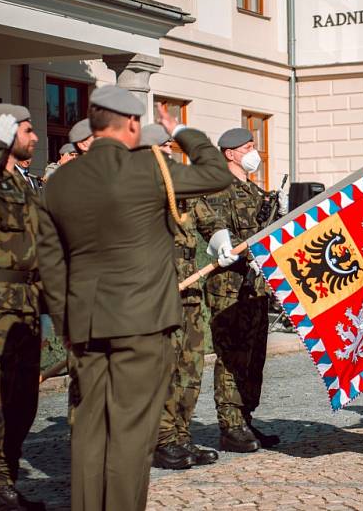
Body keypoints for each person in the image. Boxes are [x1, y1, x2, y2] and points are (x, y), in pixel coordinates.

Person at [37, 86, 231, 511]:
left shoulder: (59, 180)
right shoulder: (148, 168)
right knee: (130, 431)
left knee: (89, 429)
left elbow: (51, 262)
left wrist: (66, 323)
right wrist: (180, 131)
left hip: (85, 324)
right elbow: (217, 173)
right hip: (141, 323)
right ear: (130, 124)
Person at [137, 124, 222, 470]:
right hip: (160, 292)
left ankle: (181, 434)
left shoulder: (180, 187)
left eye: (170, 148)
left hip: (191, 288)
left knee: (191, 368)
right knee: (164, 370)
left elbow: (208, 220)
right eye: (163, 148)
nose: (169, 153)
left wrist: (220, 239)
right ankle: (161, 439)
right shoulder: (139, 190)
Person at [0, 104, 45, 510]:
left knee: (22, 401)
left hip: (28, 306)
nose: (35, 137)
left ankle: (7, 480)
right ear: (2, 132)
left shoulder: (25, 184)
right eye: (27, 130)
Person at [202, 127, 282, 454]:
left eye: (254, 145)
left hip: (257, 286)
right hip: (230, 287)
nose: (254, 152)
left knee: (254, 355)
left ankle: (246, 417)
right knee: (232, 354)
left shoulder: (255, 192)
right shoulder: (218, 188)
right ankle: (230, 424)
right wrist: (228, 248)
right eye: (247, 147)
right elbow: (215, 229)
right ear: (230, 153)